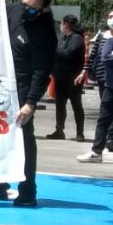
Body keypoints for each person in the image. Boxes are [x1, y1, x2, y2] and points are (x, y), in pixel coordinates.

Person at [0, 0, 56, 207]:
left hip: (22, 89)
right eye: (24, 4)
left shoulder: (45, 33)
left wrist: (31, 103)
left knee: (24, 139)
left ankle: (28, 191)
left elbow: (42, 71)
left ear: (43, 10)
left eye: (32, 9)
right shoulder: (14, 10)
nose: (26, 10)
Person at [76, 17, 113, 166]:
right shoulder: (110, 42)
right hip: (110, 88)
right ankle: (96, 152)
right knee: (103, 120)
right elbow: (106, 59)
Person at [44, 14, 85, 142]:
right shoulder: (62, 38)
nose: (60, 26)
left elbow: (69, 54)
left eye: (62, 23)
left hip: (73, 78)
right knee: (60, 105)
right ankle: (59, 130)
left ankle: (80, 133)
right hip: (60, 77)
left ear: (66, 24)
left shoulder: (77, 38)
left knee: (76, 105)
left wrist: (55, 49)